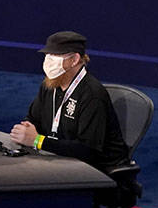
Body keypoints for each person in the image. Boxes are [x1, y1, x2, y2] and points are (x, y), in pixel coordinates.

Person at [9, 30, 129, 172]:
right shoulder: (49, 85)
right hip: (60, 159)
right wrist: (26, 130)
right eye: (48, 54)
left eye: (56, 55)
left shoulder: (92, 95)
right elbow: (33, 120)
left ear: (74, 60)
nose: (49, 60)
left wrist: (38, 141)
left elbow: (88, 151)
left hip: (97, 171)